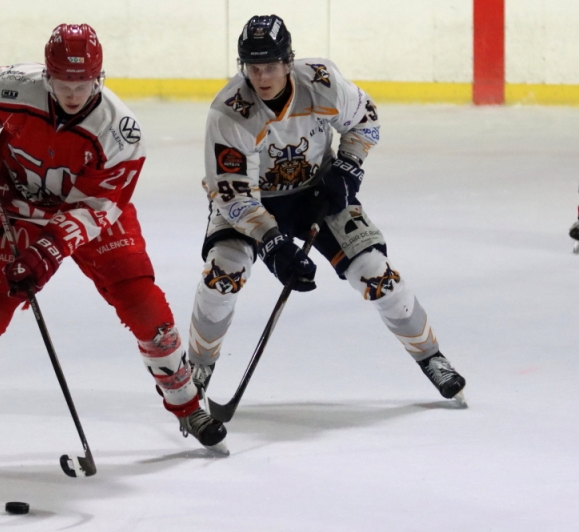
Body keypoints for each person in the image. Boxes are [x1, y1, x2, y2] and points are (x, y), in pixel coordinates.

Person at [0, 23, 227, 469]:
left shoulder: (121, 132)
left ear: (100, 77)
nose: (73, 93)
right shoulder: (12, 87)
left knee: (144, 306)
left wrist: (49, 250)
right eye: (64, 83)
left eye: (84, 83)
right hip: (16, 208)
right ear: (47, 76)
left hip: (94, 215)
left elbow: (101, 206)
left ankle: (189, 407)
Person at [187, 15, 466, 404]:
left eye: (270, 66)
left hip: (316, 194)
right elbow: (232, 195)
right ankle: (197, 367)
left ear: (288, 62)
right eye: (253, 67)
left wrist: (347, 168)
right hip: (250, 204)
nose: (262, 77)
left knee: (375, 272)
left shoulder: (322, 82)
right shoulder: (229, 111)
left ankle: (432, 357)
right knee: (224, 273)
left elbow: (365, 118)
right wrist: (273, 244)